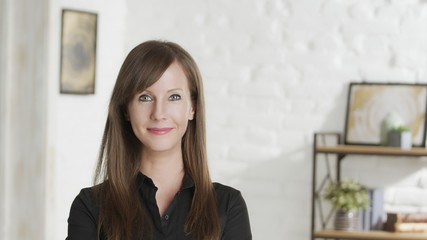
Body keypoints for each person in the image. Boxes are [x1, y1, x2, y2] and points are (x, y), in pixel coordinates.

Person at [66, 40, 252, 240]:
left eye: (174, 97)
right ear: (126, 109)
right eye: (145, 97)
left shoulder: (227, 206)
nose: (159, 113)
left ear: (193, 107)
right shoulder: (90, 207)